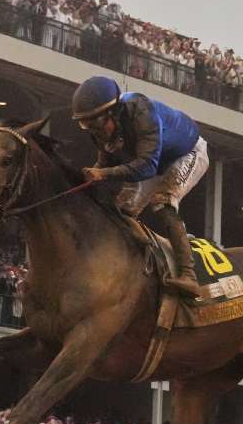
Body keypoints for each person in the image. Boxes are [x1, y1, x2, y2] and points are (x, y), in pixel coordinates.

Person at [71, 75, 210, 297]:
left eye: (96, 124)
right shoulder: (100, 131)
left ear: (113, 113)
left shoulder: (141, 112)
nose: (94, 131)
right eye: (86, 125)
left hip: (187, 153)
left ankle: (189, 275)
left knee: (162, 202)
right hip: (154, 159)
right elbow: (103, 166)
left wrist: (103, 173)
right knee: (122, 209)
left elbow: (145, 167)